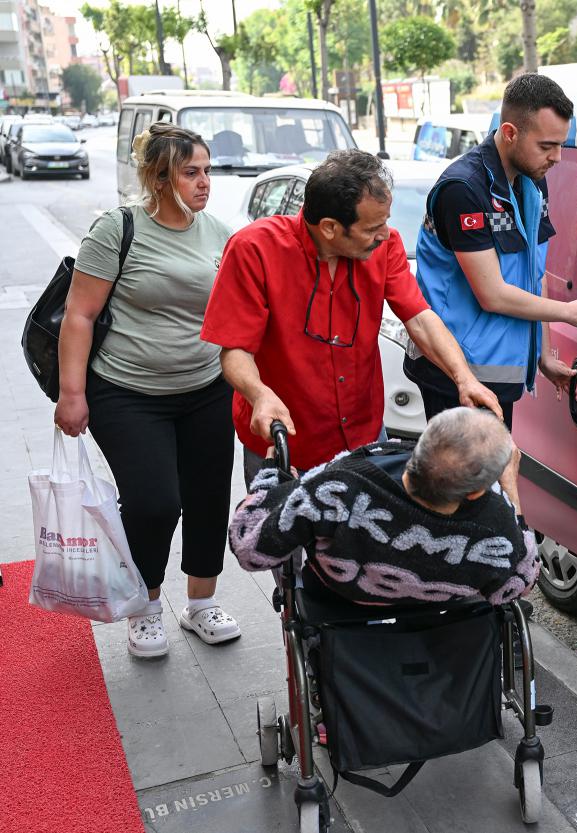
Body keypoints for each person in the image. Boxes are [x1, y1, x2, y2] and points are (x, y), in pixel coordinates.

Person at [53, 122, 239, 657]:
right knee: (156, 503)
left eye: (207, 170)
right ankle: (146, 604)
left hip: (204, 385)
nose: (205, 182)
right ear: (160, 178)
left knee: (208, 498)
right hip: (127, 391)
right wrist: (72, 393)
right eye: (191, 172)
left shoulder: (219, 234)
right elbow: (79, 314)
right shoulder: (117, 229)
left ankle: (201, 604)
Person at [201, 150, 499, 482]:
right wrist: (258, 393)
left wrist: (464, 378)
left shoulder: (385, 247)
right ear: (329, 227)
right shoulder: (253, 249)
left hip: (364, 440)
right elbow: (234, 350)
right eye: (374, 226)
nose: (385, 234)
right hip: (285, 444)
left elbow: (419, 318)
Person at [411, 73, 577, 428]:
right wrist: (569, 312)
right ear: (509, 133)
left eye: (561, 145)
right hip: (456, 376)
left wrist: (543, 356)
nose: (557, 157)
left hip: (497, 373)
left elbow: (535, 273)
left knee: (496, 480)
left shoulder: (531, 181)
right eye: (546, 146)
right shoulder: (464, 189)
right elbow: (493, 295)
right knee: (464, 483)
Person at [229, 407, 538, 607]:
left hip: (343, 603)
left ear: (424, 439)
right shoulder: (496, 524)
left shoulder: (339, 487)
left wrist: (270, 476)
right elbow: (517, 584)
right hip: (443, 616)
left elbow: (249, 549)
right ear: (475, 493)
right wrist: (510, 486)